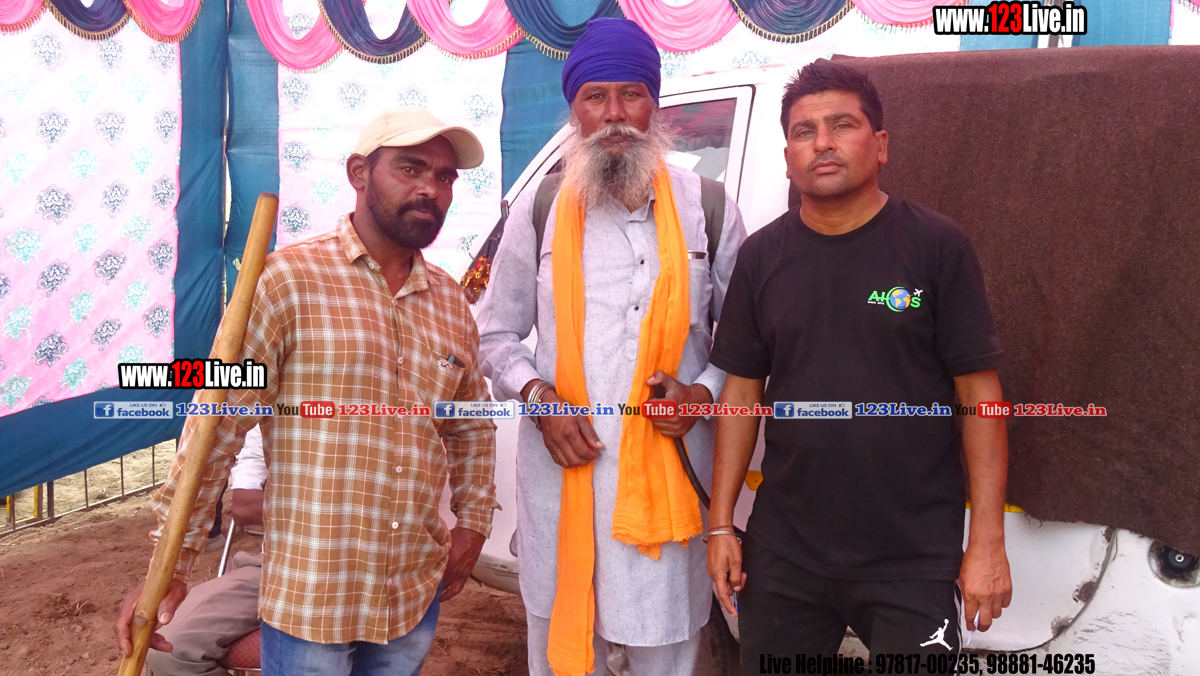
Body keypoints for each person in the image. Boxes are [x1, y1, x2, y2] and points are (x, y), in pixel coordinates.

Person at [116, 107, 500, 676]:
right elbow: (215, 425)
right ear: (359, 173)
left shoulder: (450, 303)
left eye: (444, 177)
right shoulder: (284, 282)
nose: (430, 188)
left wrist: (473, 523)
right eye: (411, 168)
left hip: (411, 587)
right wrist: (169, 560)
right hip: (312, 593)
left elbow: (469, 425)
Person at [706, 59, 1013, 673]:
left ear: (881, 145)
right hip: (786, 551)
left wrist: (986, 542)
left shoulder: (936, 247)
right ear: (788, 157)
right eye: (804, 131)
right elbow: (740, 395)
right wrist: (719, 527)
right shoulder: (762, 258)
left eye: (842, 125)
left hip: (912, 556)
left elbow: (981, 398)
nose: (822, 142)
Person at [475, 17, 747, 676]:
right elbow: (494, 333)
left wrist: (701, 393)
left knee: (666, 654)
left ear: (654, 103)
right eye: (595, 96)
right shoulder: (540, 208)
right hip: (561, 485)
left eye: (631, 94)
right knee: (564, 656)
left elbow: (746, 343)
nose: (615, 114)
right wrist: (539, 397)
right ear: (575, 110)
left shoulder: (709, 207)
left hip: (670, 501)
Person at [146, 426, 266, 676]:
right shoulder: (273, 418)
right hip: (277, 564)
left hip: (355, 568)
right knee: (168, 650)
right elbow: (245, 506)